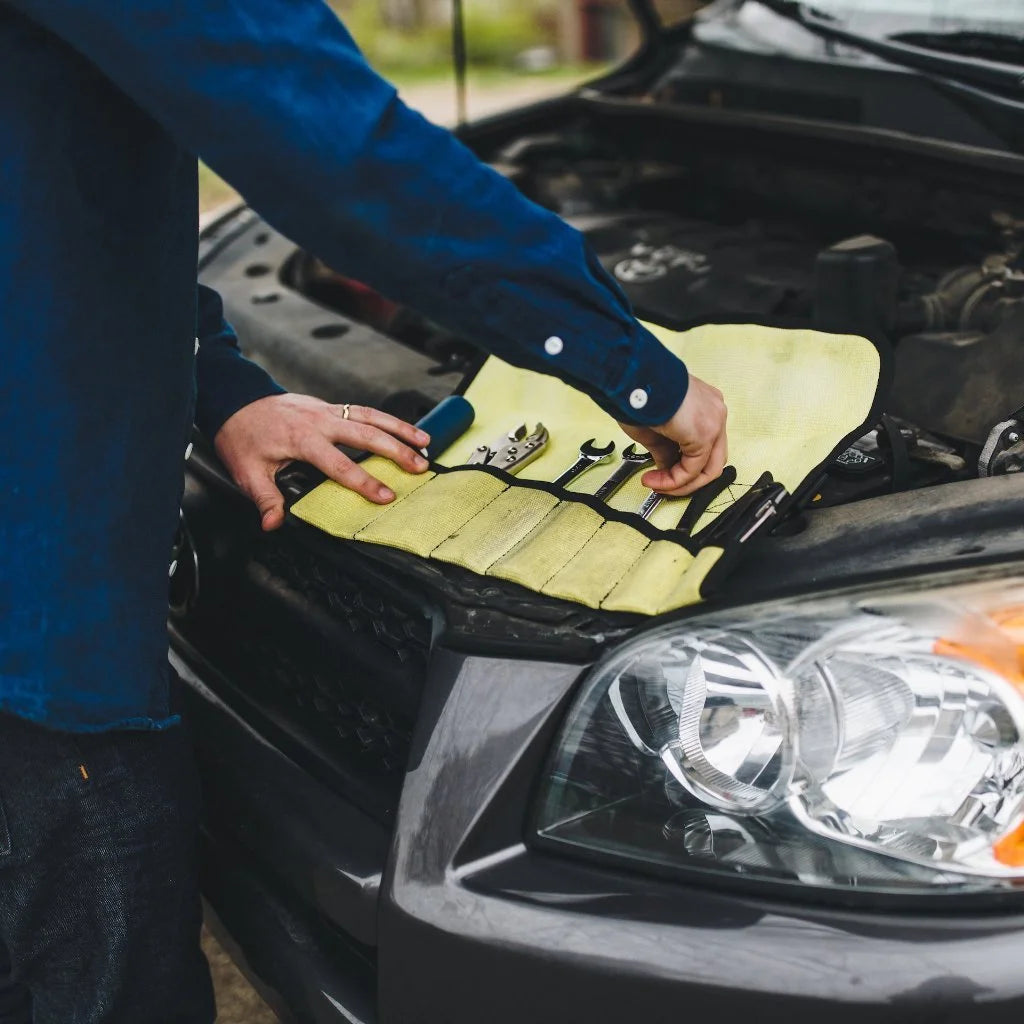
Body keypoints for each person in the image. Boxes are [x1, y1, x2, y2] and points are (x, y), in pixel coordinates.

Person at [0, 0, 728, 1020]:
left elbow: (60, 187)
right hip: (34, 664)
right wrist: (632, 366)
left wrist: (225, 389)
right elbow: (327, 135)